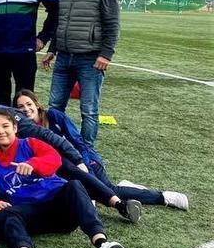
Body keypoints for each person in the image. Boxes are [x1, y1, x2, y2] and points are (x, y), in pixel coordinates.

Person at [0, 107, 127, 248]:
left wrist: (33, 165)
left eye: (5, 126)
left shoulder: (29, 143)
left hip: (61, 208)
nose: (1, 131)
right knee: (6, 213)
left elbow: (54, 158)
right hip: (33, 215)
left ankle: (102, 246)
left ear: (15, 128)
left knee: (74, 185)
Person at [14, 89, 188, 211]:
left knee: (109, 192)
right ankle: (126, 187)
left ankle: (164, 197)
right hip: (68, 172)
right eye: (20, 107)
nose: (26, 109)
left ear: (37, 104)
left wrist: (85, 163)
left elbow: (79, 141)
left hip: (85, 160)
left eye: (28, 104)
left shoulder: (54, 115)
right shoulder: (24, 130)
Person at [42, 0, 120, 149]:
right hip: (64, 57)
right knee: (55, 106)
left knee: (89, 110)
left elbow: (112, 24)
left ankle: (87, 151)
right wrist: (53, 49)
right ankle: (55, 146)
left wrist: (106, 54)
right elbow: (62, 23)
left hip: (90, 59)